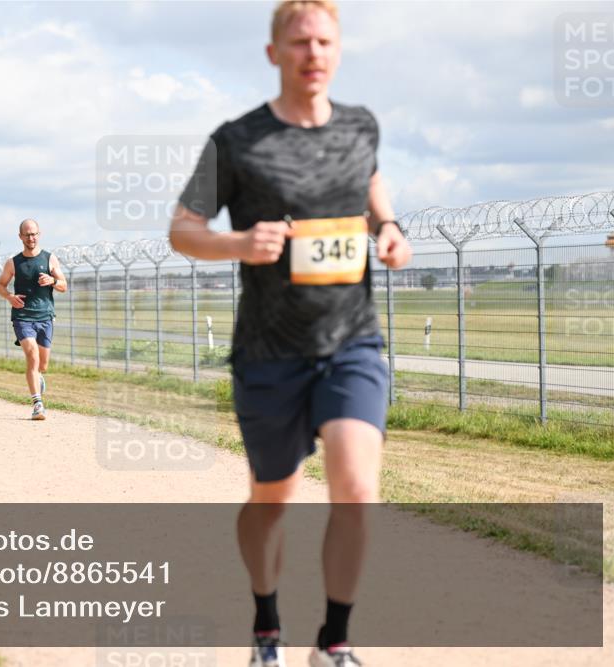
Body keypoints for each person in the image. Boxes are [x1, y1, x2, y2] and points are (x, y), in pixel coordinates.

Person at [168, 2, 412, 666]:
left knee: (358, 489)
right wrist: (239, 242)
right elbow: (182, 229)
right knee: (272, 501)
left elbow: (368, 181)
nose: (313, 52)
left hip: (351, 340)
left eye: (325, 41)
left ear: (339, 50)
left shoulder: (362, 125)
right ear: (274, 53)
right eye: (299, 41)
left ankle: (333, 640)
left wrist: (389, 227)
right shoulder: (236, 140)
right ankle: (266, 622)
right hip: (270, 351)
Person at [0, 219, 67, 420]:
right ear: (20, 237)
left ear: (39, 234)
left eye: (34, 234)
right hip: (23, 316)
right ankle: (37, 404)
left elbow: (64, 285)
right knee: (32, 355)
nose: (31, 238)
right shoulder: (13, 262)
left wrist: (52, 281)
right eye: (27, 234)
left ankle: (38, 377)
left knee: (42, 364)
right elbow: (0, 285)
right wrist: (9, 297)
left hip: (45, 316)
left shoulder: (49, 258)